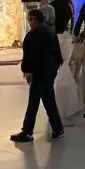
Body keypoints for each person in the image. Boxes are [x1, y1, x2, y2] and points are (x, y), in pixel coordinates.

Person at [11, 8, 65, 143]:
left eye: (30, 20)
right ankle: (58, 128)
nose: (29, 23)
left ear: (34, 20)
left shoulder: (32, 36)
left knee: (33, 102)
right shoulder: (50, 31)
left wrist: (27, 71)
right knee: (48, 100)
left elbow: (30, 56)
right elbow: (57, 52)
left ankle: (27, 132)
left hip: (40, 72)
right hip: (50, 70)